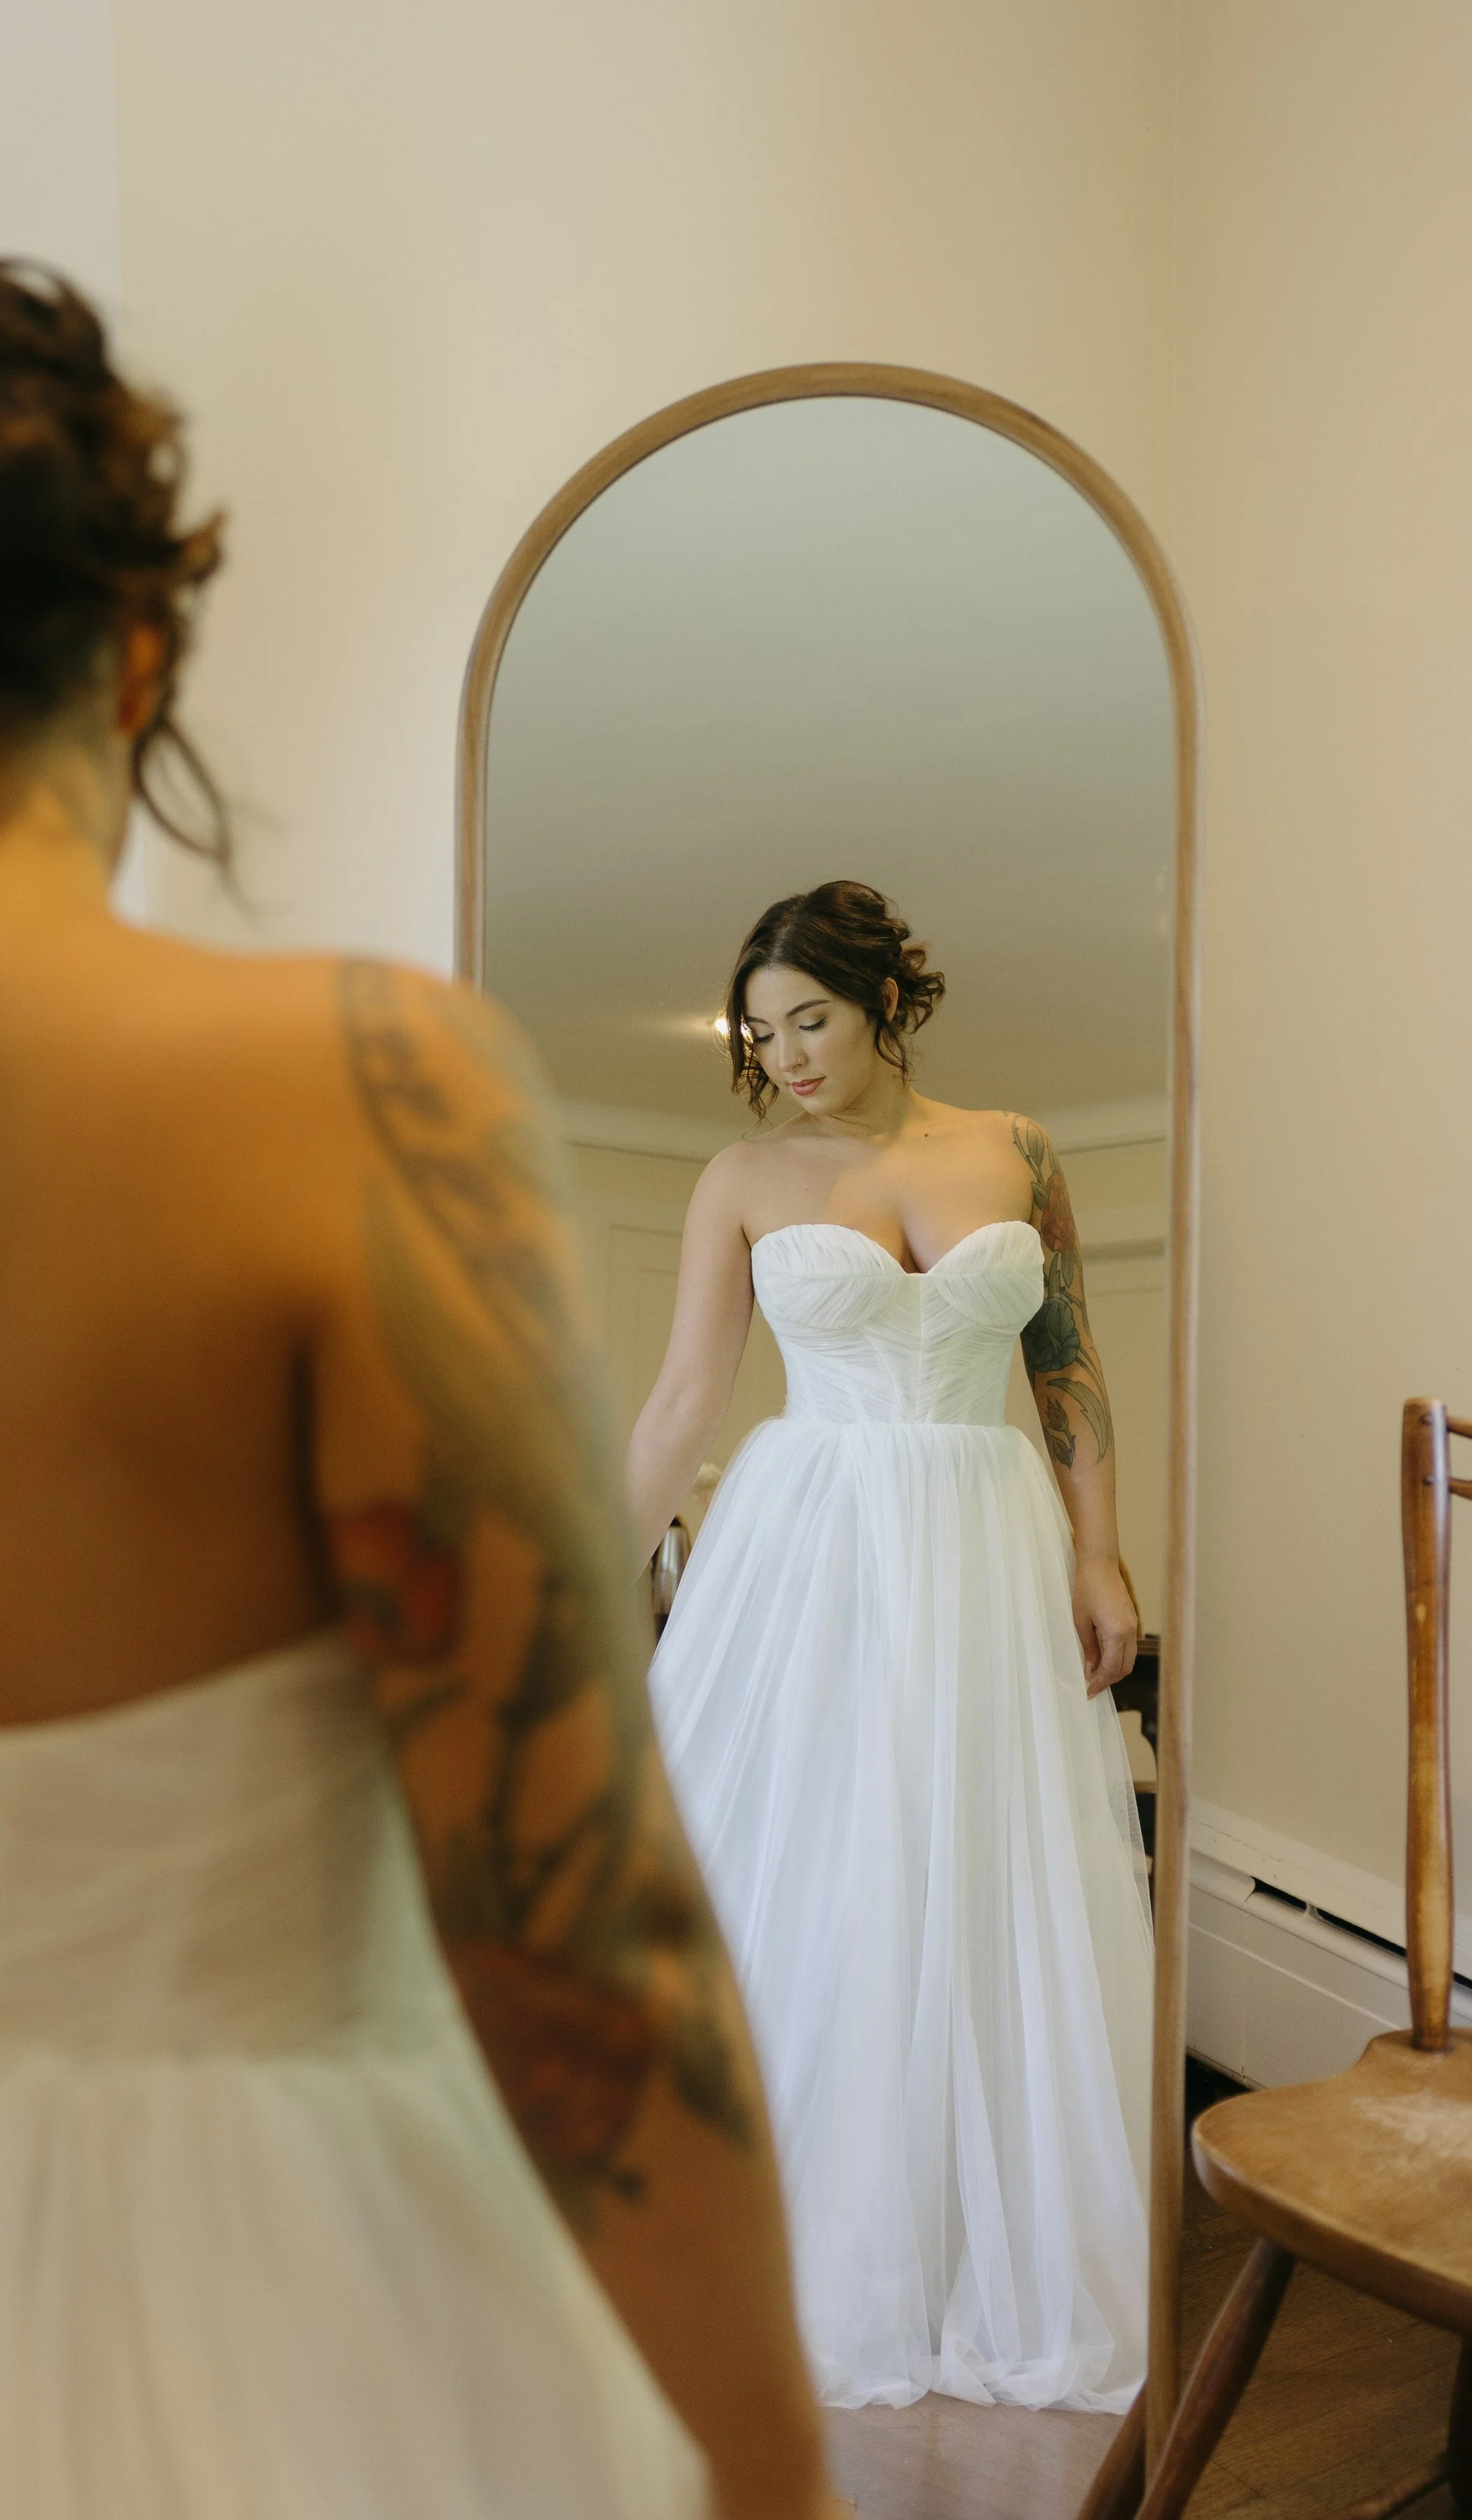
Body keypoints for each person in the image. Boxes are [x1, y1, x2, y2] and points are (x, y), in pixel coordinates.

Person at [0, 265, 838, 2519]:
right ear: (137, 661)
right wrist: (773, 2485)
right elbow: (572, 1928)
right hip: (271, 2260)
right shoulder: (357, 1097)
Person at [629, 880, 1154, 2415]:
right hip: (814, 1538)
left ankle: (963, 2254)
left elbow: (1065, 1361)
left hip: (985, 1534)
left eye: (811, 1018)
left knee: (980, 1871)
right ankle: (795, 2248)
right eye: (762, 1028)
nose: (785, 1052)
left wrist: (1097, 1542)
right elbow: (678, 1403)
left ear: (884, 1005)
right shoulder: (738, 1174)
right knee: (814, 1863)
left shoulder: (1015, 1146)